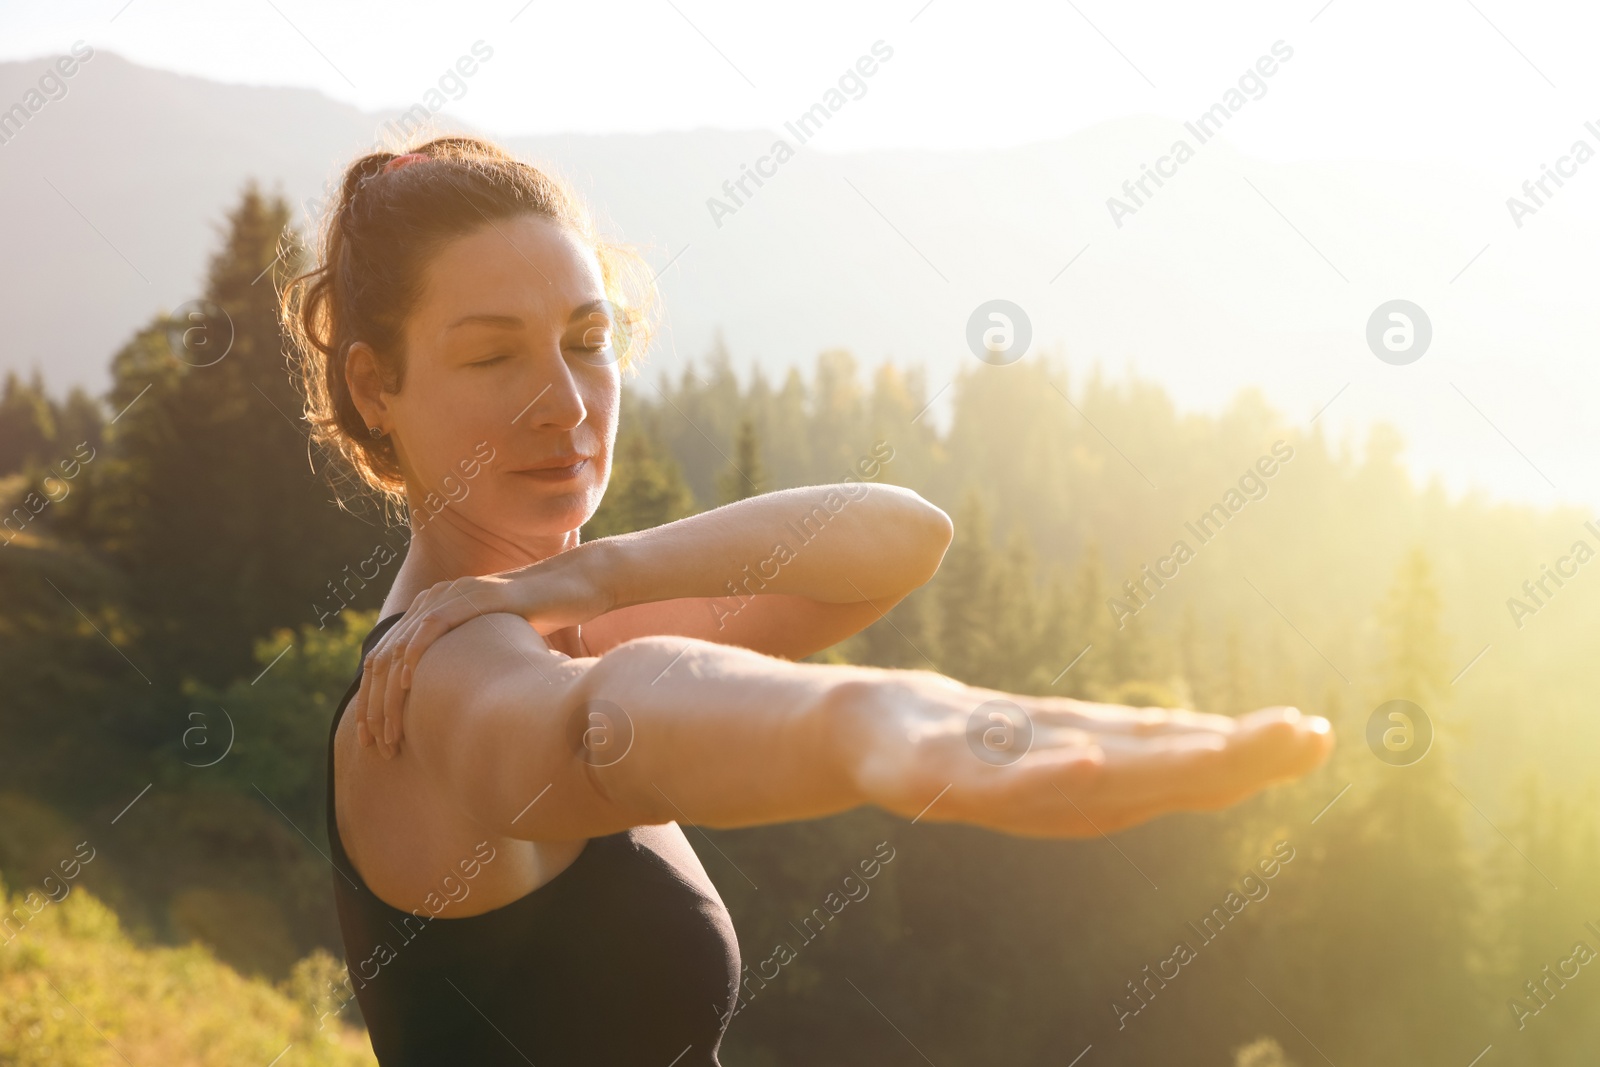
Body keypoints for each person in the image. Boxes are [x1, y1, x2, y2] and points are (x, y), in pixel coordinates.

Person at [282, 135, 1333, 1066]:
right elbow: (611, 721)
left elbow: (900, 535)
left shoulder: (553, 617)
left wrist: (599, 571)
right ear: (377, 387)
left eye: (587, 341)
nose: (564, 401)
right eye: (491, 353)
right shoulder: (433, 688)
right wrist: (862, 722)